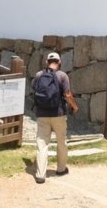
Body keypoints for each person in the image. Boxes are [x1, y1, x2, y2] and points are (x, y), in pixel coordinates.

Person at [32, 51, 78, 184]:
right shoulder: (62, 76)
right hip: (58, 114)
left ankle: (40, 174)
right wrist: (75, 107)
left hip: (42, 114)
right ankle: (61, 169)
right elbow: (68, 95)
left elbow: (34, 91)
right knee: (61, 141)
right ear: (59, 63)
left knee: (42, 144)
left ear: (46, 62)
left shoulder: (39, 75)